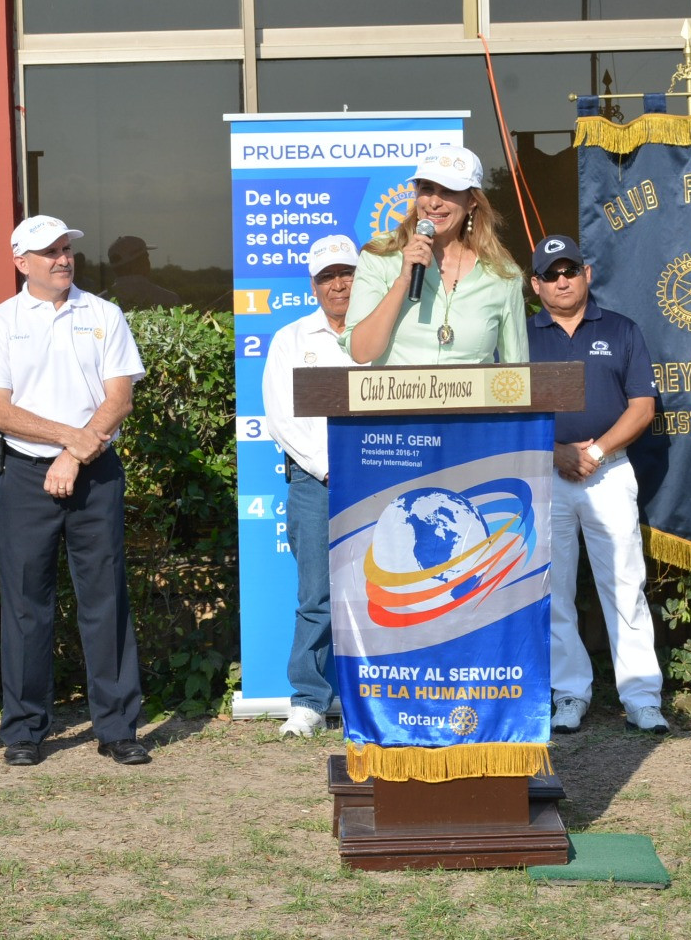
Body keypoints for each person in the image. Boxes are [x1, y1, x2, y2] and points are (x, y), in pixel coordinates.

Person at [0, 215, 150, 767]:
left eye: (66, 248)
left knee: (106, 598)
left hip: (94, 471)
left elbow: (119, 397)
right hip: (24, 476)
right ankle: (24, 730)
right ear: (21, 262)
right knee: (26, 605)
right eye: (48, 252)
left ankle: (118, 727)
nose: (63, 258)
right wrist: (63, 441)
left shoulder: (104, 313)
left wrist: (74, 452)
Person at [525, 235, 667, 736]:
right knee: (555, 589)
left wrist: (595, 452)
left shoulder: (622, 330)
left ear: (587, 275)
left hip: (608, 472)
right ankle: (569, 693)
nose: (562, 281)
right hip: (546, 476)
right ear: (536, 284)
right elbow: (511, 413)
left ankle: (642, 696)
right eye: (551, 273)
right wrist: (556, 452)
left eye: (570, 270)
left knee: (625, 585)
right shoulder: (521, 337)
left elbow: (642, 407)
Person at [262, 234, 361, 737]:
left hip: (380, 474)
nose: (339, 284)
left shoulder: (384, 335)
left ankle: (378, 693)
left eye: (347, 272)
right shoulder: (291, 338)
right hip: (313, 480)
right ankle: (308, 700)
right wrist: (330, 468)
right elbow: (282, 418)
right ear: (313, 286)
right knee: (317, 594)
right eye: (327, 277)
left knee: (384, 587)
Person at [346, 145, 528, 366]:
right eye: (427, 189)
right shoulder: (380, 256)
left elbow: (516, 371)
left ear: (472, 201)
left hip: (473, 401)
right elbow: (361, 352)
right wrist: (403, 282)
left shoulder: (502, 275)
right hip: (397, 399)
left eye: (448, 190)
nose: (434, 202)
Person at [103, 235, 180, 309]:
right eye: (146, 257)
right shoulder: (169, 299)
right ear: (139, 262)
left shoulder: (99, 301)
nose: (148, 262)